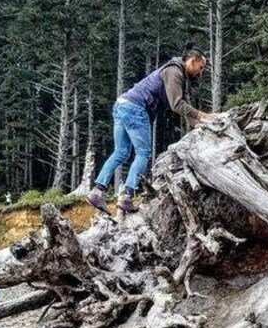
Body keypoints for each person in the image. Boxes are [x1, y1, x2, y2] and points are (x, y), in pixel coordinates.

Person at [86, 45, 217, 214]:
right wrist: (203, 116)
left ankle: (97, 192)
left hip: (122, 104)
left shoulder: (174, 72)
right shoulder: (174, 72)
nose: (201, 72)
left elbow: (177, 104)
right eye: (201, 67)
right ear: (192, 61)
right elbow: (177, 104)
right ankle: (126, 197)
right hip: (135, 108)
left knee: (121, 152)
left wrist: (198, 123)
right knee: (143, 153)